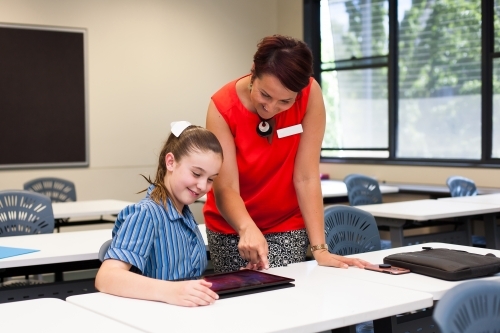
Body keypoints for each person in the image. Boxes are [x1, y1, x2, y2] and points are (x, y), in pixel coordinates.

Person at [204, 35, 370, 273]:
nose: (271, 108)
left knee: (286, 297)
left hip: (286, 223)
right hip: (233, 226)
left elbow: (306, 176)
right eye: (265, 95)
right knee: (243, 302)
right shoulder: (222, 107)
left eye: (285, 101)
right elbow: (226, 186)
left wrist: (320, 249)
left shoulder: (310, 95)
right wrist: (246, 227)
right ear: (253, 72)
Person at [95, 121, 223, 307]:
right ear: (170, 162)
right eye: (196, 174)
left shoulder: (185, 214)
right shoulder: (146, 214)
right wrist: (171, 291)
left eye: (211, 179)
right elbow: (106, 277)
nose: (203, 186)